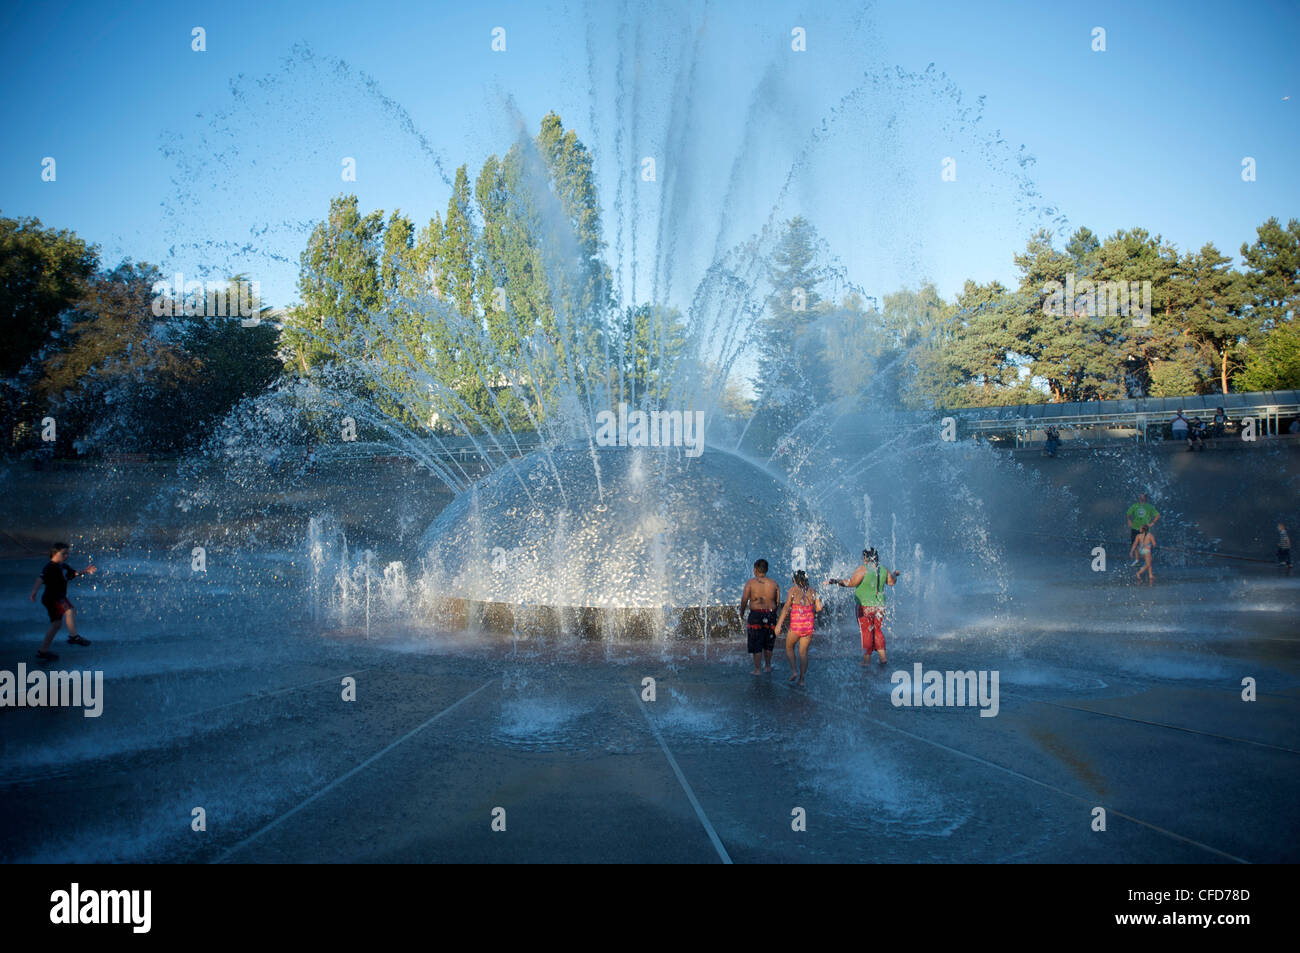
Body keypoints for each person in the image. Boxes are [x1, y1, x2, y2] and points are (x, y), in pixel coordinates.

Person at [827, 547, 899, 668]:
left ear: (866, 558)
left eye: (863, 557)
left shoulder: (863, 569)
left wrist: (835, 581)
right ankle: (883, 658)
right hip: (880, 606)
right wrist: (894, 574)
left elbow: (851, 583)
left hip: (865, 606)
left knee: (866, 631)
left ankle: (866, 661)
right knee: (877, 630)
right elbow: (891, 582)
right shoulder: (883, 569)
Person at [30, 542, 97, 662]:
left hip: (55, 597)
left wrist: (85, 571)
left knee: (56, 625)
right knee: (70, 610)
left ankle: (42, 651)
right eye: (63, 553)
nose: (66, 556)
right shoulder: (50, 567)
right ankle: (73, 637)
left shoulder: (63, 566)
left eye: (67, 553)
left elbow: (72, 574)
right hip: (53, 597)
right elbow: (40, 579)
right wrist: (34, 591)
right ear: (55, 553)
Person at [774, 570, 821, 686]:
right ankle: (802, 679)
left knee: (789, 647)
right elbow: (819, 608)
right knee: (803, 653)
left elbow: (785, 608)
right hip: (808, 626)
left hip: (796, 626)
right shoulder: (813, 591)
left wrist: (779, 624)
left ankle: (794, 671)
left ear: (795, 580)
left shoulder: (793, 590)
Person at [739, 559, 780, 675]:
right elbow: (777, 601)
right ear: (766, 570)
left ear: (755, 570)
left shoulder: (751, 583)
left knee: (756, 641)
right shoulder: (774, 583)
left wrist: (741, 612)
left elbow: (744, 599)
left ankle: (757, 669)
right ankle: (767, 666)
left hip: (756, 615)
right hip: (770, 614)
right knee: (769, 641)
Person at [1126, 492, 1160, 565]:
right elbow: (1128, 513)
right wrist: (1129, 520)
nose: (1141, 498)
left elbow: (1157, 515)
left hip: (1145, 529)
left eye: (1143, 497)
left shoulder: (1149, 507)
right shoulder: (1135, 506)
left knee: (1144, 545)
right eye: (1140, 497)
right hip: (1135, 528)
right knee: (1135, 544)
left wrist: (1152, 523)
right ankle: (1137, 560)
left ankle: (1146, 560)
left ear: (1145, 498)